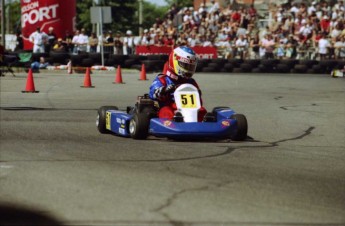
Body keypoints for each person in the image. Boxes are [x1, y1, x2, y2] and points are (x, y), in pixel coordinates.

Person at [149, 46, 207, 121]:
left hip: (190, 110)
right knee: (166, 111)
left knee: (202, 110)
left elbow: (199, 102)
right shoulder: (163, 79)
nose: (188, 70)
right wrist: (164, 90)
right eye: (186, 66)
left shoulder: (191, 82)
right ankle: (173, 124)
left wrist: (197, 94)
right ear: (174, 62)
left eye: (190, 67)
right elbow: (152, 93)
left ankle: (205, 123)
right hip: (169, 107)